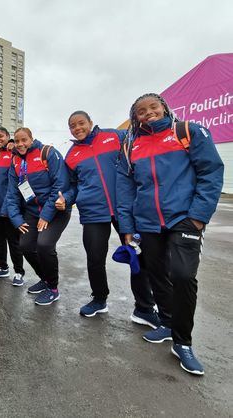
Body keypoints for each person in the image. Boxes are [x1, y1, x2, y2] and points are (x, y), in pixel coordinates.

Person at [116, 93, 224, 375]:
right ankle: (165, 322)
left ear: (164, 108)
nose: (148, 113)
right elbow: (126, 189)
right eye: (141, 111)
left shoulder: (188, 131)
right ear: (135, 116)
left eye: (153, 107)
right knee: (157, 273)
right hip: (147, 223)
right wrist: (127, 227)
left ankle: (183, 342)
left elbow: (211, 172)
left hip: (184, 220)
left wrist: (198, 218)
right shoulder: (131, 145)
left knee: (183, 276)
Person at [59, 111, 157, 321]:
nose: (77, 128)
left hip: (125, 210)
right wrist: (66, 199)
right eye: (73, 126)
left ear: (91, 122)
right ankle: (99, 299)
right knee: (94, 259)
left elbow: (137, 159)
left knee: (137, 257)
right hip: (93, 212)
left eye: (81, 123)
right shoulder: (71, 156)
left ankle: (144, 308)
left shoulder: (115, 136)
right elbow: (72, 187)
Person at [5, 128, 71, 306]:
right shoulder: (15, 161)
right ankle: (45, 279)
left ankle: (53, 288)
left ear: (31, 139)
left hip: (56, 211)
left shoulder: (47, 153)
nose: (20, 144)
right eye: (17, 141)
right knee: (25, 245)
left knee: (44, 245)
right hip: (32, 212)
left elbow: (60, 184)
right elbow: (11, 194)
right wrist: (17, 219)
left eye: (24, 140)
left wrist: (47, 214)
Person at [0, 127, 26, 285]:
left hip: (10, 208)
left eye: (1, 136)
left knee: (14, 242)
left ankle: (19, 272)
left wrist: (13, 146)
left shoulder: (13, 155)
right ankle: (3, 267)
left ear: (8, 137)